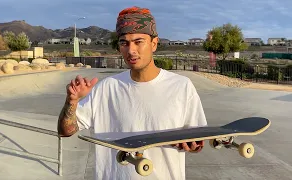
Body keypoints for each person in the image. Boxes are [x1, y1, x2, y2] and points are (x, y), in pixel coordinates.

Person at [57, 6, 207, 180]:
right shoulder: (106, 88)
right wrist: (72, 102)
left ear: (154, 44)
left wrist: (191, 144)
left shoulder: (181, 86)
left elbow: (198, 142)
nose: (131, 50)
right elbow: (65, 130)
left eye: (138, 42)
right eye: (124, 43)